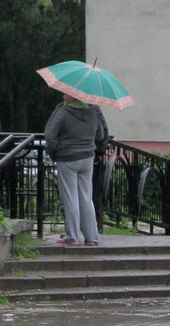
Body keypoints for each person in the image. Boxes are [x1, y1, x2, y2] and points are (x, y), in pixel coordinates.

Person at [43, 92, 109, 245]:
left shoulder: (62, 111)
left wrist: (52, 152)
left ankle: (72, 236)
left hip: (67, 157)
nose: (63, 96)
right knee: (86, 197)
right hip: (87, 157)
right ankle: (92, 237)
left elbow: (50, 135)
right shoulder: (93, 111)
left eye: (66, 94)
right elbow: (100, 134)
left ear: (74, 97)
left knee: (70, 197)